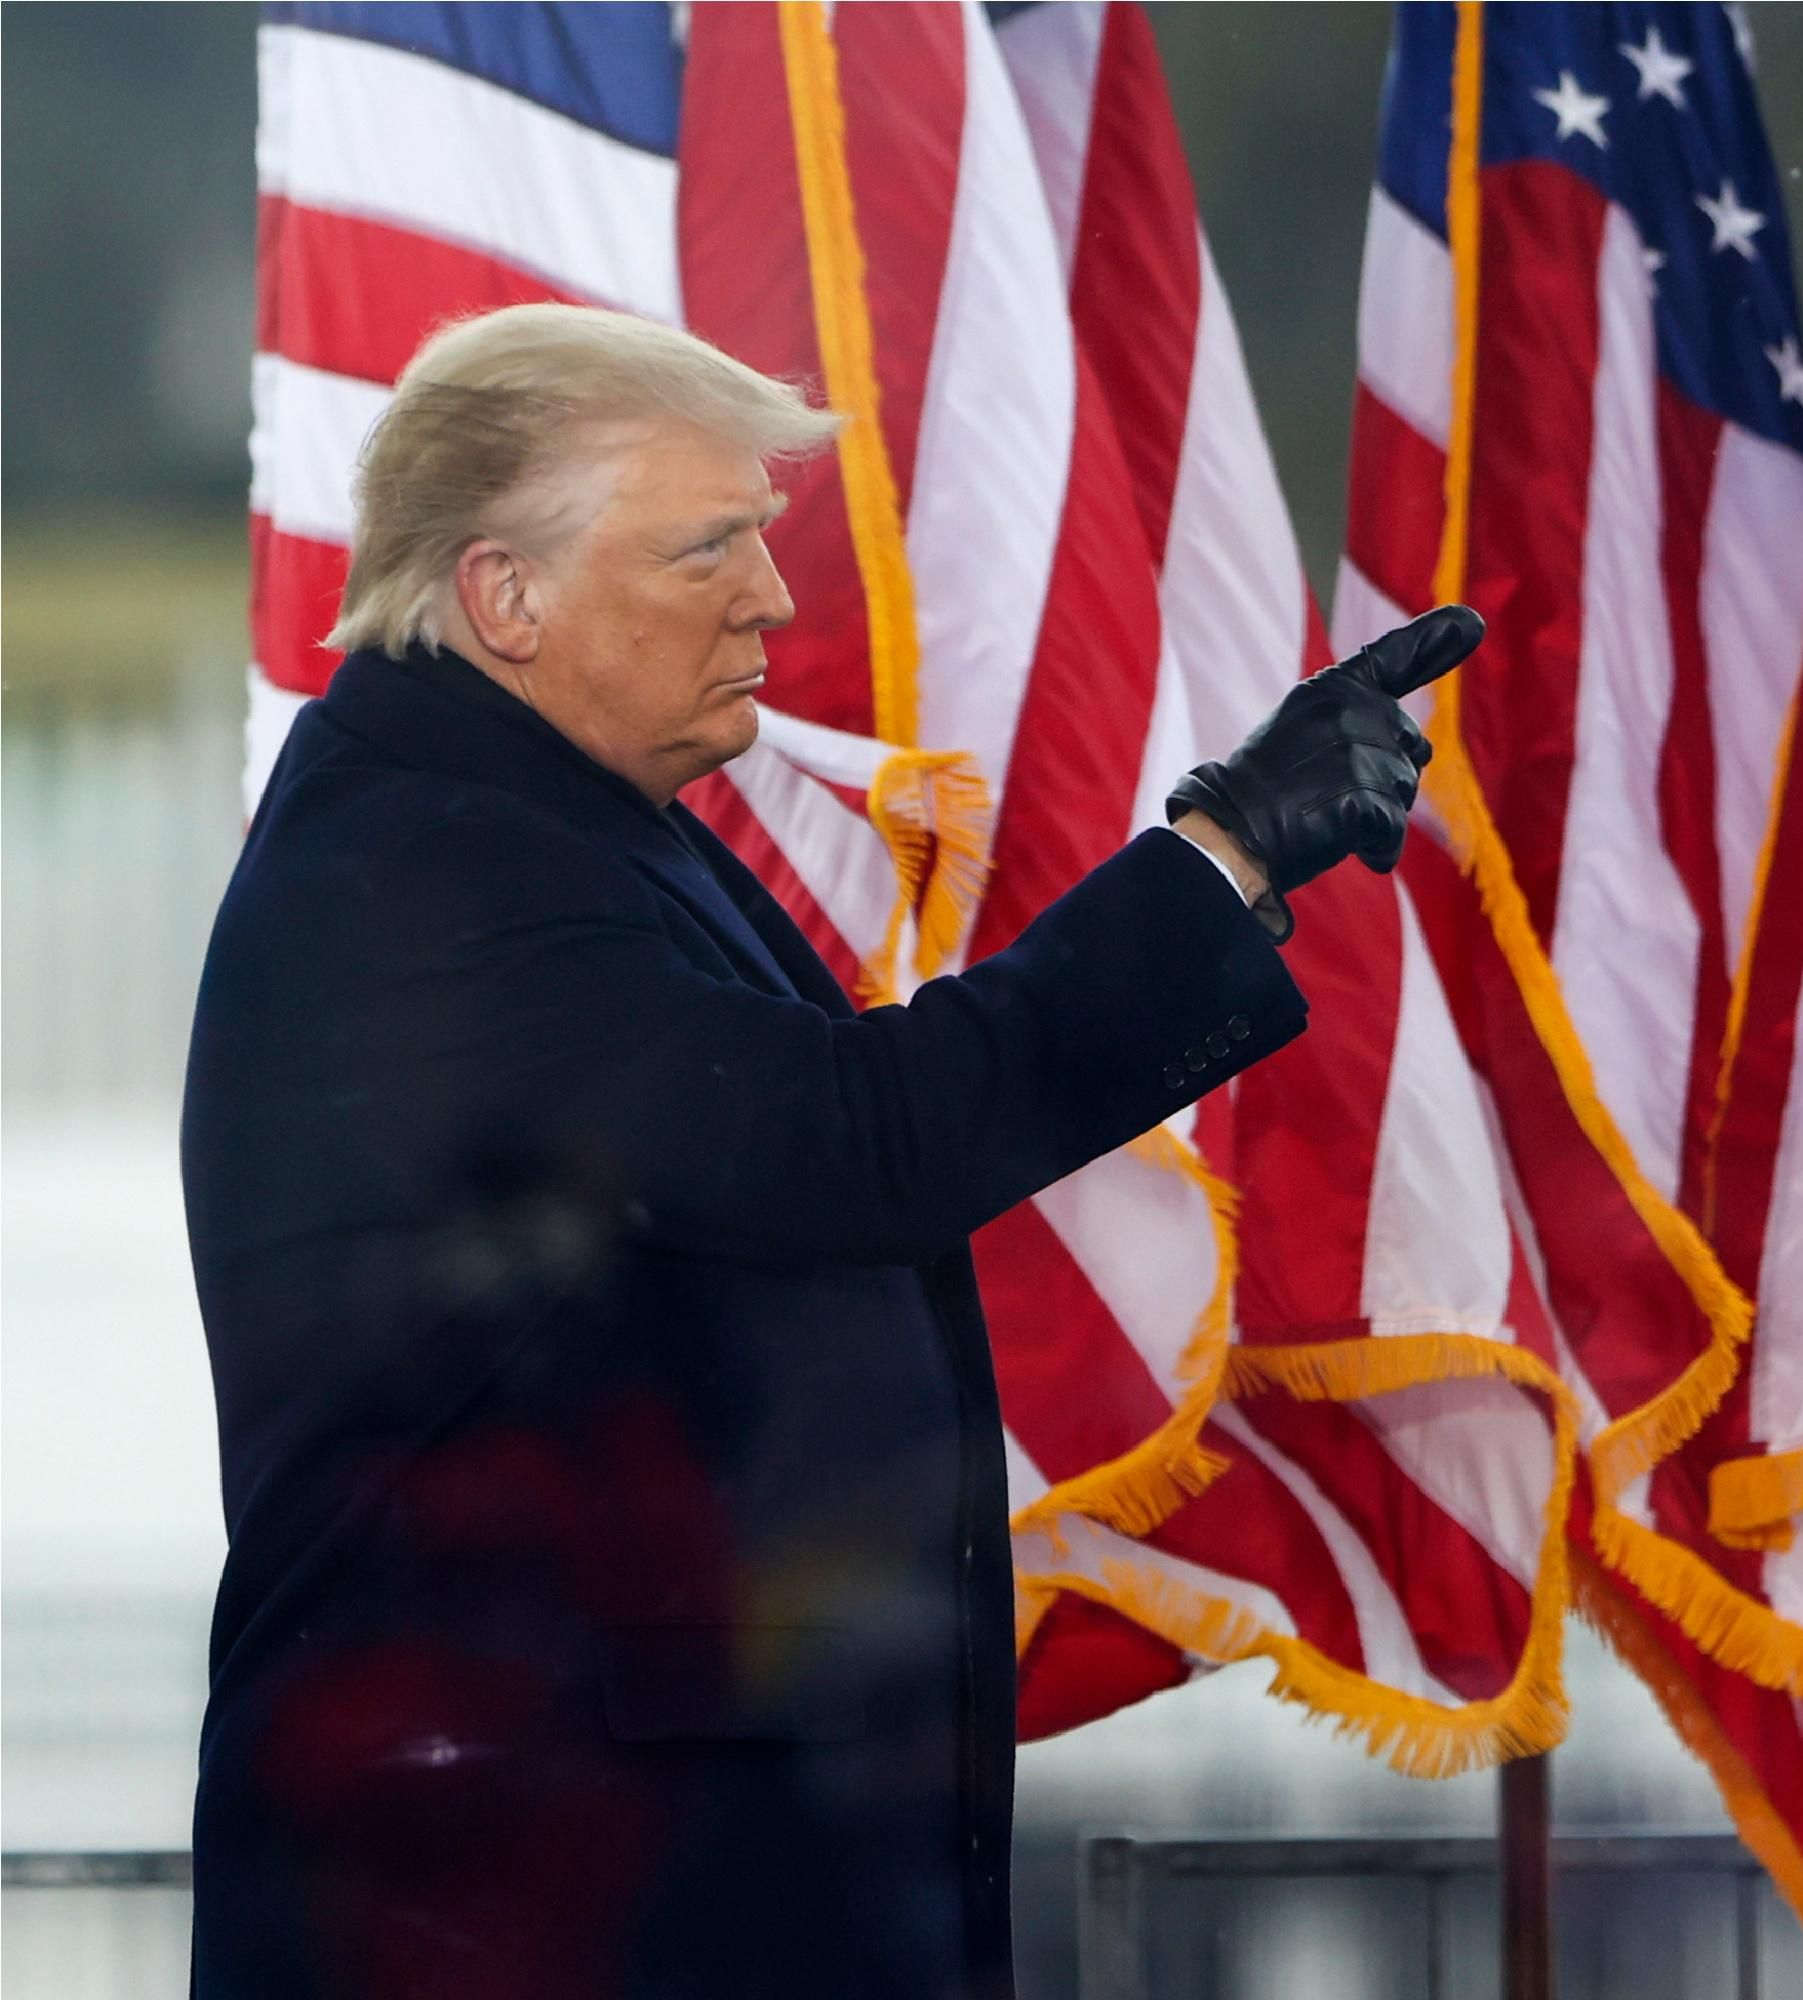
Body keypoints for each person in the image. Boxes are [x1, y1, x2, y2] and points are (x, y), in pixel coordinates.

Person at [180, 302, 1481, 2000]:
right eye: (709, 546)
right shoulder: (442, 869)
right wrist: (1225, 852)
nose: (773, 598)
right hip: (527, 1908)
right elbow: (864, 1140)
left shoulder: (534, 819)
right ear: (505, 595)